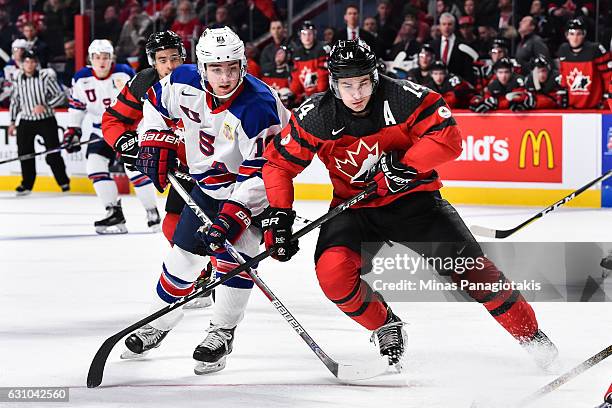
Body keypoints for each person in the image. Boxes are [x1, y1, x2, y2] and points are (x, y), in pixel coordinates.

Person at [261, 39, 559, 371]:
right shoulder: (315, 115)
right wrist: (279, 215)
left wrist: (405, 165)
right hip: (355, 209)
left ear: (375, 76)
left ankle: (531, 335)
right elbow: (278, 165)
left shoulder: (404, 96)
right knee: (333, 275)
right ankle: (385, 324)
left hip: (415, 202)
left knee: (476, 273)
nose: (356, 93)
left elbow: (447, 136)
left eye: (363, 82)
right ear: (333, 83)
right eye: (346, 85)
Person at [122, 27, 290, 375]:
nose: (225, 77)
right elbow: (153, 105)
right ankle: (159, 321)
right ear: (201, 67)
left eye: (232, 67)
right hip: (208, 188)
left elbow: (266, 171)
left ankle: (222, 332)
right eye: (216, 69)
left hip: (253, 193)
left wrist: (233, 216)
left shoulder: (258, 106)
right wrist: (154, 138)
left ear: (243, 63)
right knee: (182, 260)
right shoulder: (182, 79)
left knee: (235, 258)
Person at [101, 30, 213, 309]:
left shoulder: (202, 78)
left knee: (217, 226)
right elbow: (113, 119)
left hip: (215, 165)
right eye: (163, 60)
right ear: (153, 62)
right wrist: (123, 140)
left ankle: (220, 270)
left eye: (175, 58)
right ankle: (203, 275)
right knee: (173, 224)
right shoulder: (144, 83)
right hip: (182, 166)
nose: (171, 65)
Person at [63, 39, 160, 234]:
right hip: (101, 131)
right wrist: (73, 131)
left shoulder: (124, 72)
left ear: (111, 58)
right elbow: (77, 107)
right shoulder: (81, 79)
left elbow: (142, 98)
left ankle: (152, 212)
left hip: (130, 129)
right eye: (97, 57)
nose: (102, 62)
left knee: (135, 169)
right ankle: (113, 212)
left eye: (105, 57)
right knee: (94, 166)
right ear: (91, 59)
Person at [8, 50, 69, 196]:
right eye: (27, 62)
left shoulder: (45, 77)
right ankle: (27, 184)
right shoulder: (17, 78)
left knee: (53, 152)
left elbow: (60, 96)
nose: (29, 65)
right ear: (22, 64)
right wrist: (12, 121)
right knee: (24, 154)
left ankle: (63, 182)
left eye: (32, 61)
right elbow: (15, 101)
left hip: (46, 120)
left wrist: (46, 106)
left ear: (36, 63)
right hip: (26, 120)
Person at [558, 18, 611, 109]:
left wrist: (607, 98)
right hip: (571, 108)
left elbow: (608, 76)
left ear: (584, 34)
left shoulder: (595, 50)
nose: (575, 38)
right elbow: (563, 76)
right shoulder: (563, 50)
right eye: (572, 34)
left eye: (578, 34)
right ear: (566, 35)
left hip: (595, 107)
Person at [430, 12, 476, 84]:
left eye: (449, 24)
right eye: (444, 24)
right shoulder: (432, 45)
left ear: (454, 26)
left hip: (457, 85)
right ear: (439, 26)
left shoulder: (463, 45)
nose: (446, 27)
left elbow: (468, 71)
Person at [290, 21, 329, 104]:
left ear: (314, 34)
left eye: (310, 33)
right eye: (304, 34)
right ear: (300, 36)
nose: (307, 37)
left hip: (322, 95)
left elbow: (323, 77)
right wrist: (296, 95)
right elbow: (296, 77)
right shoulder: (297, 53)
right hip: (306, 96)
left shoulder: (322, 49)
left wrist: (318, 95)